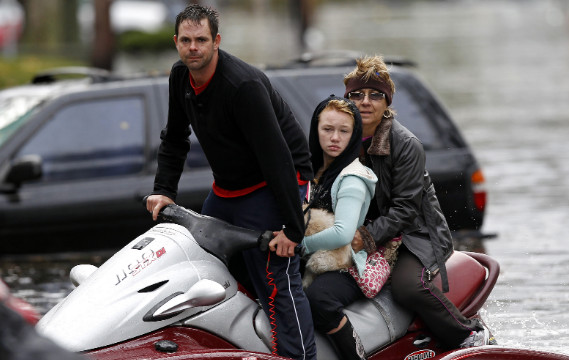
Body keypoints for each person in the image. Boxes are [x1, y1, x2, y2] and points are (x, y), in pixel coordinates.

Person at [145, 5, 316, 360]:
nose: (194, 48)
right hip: (228, 187)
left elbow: (278, 160)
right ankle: (244, 343)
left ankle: (300, 354)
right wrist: (164, 190)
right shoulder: (180, 77)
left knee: (276, 279)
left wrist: (293, 230)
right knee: (206, 260)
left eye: (202, 40)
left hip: (276, 181)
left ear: (216, 41)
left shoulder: (243, 86)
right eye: (187, 41)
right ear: (176, 42)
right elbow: (175, 138)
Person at [344, 55, 490, 349]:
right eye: (357, 95)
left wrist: (365, 238)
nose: (365, 102)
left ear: (387, 102)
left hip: (417, 233)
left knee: (408, 288)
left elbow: (405, 210)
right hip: (370, 230)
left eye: (375, 95)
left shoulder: (406, 144)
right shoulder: (343, 137)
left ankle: (467, 333)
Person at [300, 96, 378, 360]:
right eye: (327, 129)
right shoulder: (311, 169)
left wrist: (300, 246)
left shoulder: (352, 178)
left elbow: (343, 233)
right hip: (310, 257)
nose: (335, 138)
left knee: (318, 300)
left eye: (344, 131)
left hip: (345, 263)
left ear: (354, 134)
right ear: (315, 129)